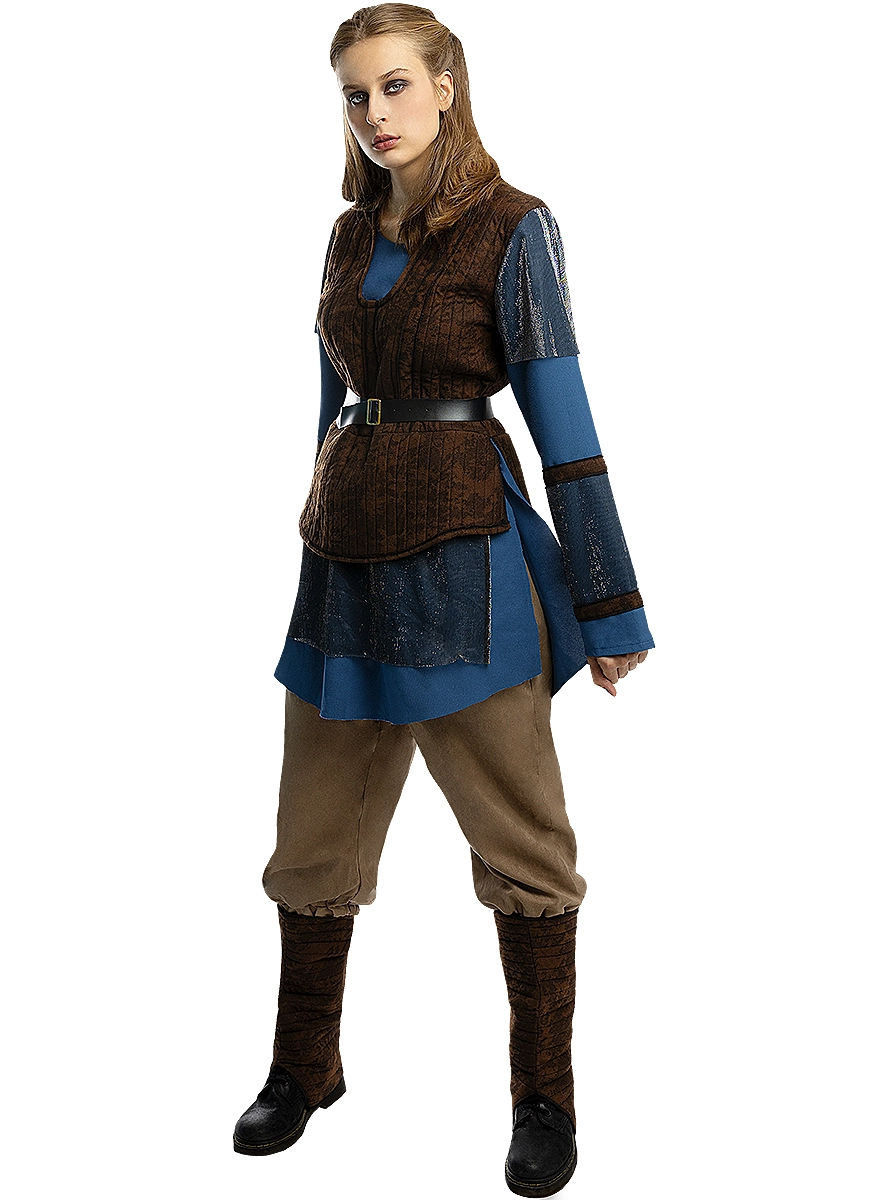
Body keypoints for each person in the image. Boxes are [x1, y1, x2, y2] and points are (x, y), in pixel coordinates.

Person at [232, 5, 654, 1196]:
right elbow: (329, 405)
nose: (375, 113)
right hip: (341, 573)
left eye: (395, 86)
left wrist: (609, 606)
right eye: (355, 94)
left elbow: (564, 426)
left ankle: (543, 1097)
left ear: (447, 85)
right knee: (312, 838)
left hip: (468, 572)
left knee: (524, 845)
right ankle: (305, 1064)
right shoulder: (343, 235)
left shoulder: (515, 227)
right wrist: (316, 513)